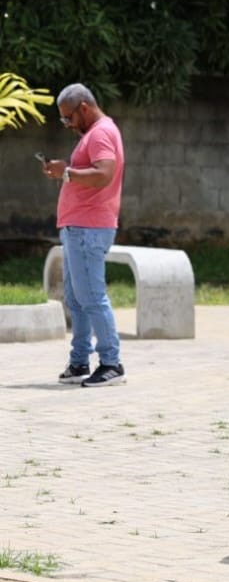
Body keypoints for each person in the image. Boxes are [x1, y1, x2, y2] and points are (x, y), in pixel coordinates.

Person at [40, 84, 126, 388]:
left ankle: (111, 363)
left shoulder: (101, 133)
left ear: (84, 108)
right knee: (76, 299)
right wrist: (67, 171)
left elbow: (104, 174)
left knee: (91, 296)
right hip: (78, 228)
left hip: (89, 229)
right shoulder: (92, 134)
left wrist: (67, 172)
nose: (67, 124)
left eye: (68, 118)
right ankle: (79, 362)